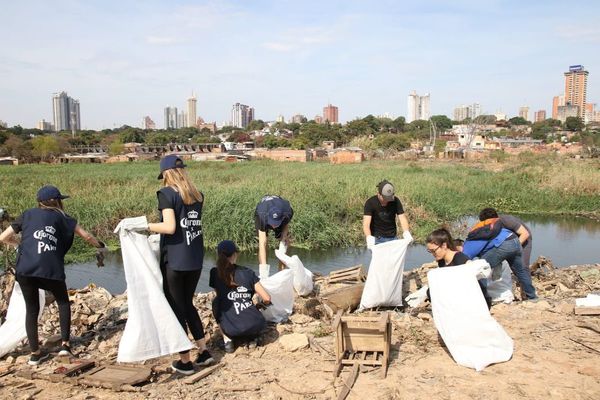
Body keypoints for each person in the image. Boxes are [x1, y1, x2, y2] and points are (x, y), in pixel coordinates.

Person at [0, 185, 106, 365]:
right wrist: (100, 245)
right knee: (63, 302)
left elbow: (3, 238)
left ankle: (35, 354)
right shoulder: (64, 218)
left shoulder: (27, 214)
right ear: (57, 201)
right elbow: (86, 236)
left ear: (39, 202)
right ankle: (65, 346)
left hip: (26, 269)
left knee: (31, 309)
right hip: (50, 268)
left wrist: (19, 243)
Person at [144, 155, 213, 375]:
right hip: (194, 258)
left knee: (177, 308)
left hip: (175, 259)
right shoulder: (197, 195)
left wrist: (143, 226)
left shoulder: (166, 194)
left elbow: (170, 227)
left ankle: (185, 360)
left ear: (166, 174)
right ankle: (203, 352)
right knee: (188, 303)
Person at [209, 240, 271, 353]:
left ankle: (227, 341)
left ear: (218, 255)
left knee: (216, 302)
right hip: (257, 324)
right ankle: (252, 337)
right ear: (235, 254)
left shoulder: (214, 273)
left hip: (231, 329)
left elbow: (220, 298)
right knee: (252, 305)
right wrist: (258, 306)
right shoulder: (248, 272)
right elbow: (267, 298)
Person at [463, 216, 538, 300]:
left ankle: (483, 298)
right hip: (514, 239)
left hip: (504, 243)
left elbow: (464, 261)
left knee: (481, 269)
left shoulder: (467, 245)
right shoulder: (482, 232)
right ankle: (532, 297)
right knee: (521, 271)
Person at [425, 228, 491, 308]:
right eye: (430, 251)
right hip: (459, 293)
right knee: (431, 291)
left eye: (434, 250)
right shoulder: (442, 262)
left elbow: (473, 277)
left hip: (476, 299)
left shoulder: (459, 258)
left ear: (444, 245)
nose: (432, 254)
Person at [363, 180, 412, 247]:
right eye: (385, 198)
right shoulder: (370, 203)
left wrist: (406, 232)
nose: (387, 201)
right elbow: (366, 224)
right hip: (377, 239)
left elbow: (402, 218)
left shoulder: (395, 201)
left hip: (392, 238)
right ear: (379, 194)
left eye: (389, 198)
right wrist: (369, 237)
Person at [255, 195, 293, 271]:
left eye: (276, 224)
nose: (274, 226)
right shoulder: (262, 216)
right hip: (264, 211)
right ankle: (263, 272)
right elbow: (262, 243)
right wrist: (264, 271)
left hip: (281, 208)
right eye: (272, 223)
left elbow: (285, 231)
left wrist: (284, 238)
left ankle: (281, 271)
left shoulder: (287, 213)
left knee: (284, 242)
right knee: (264, 243)